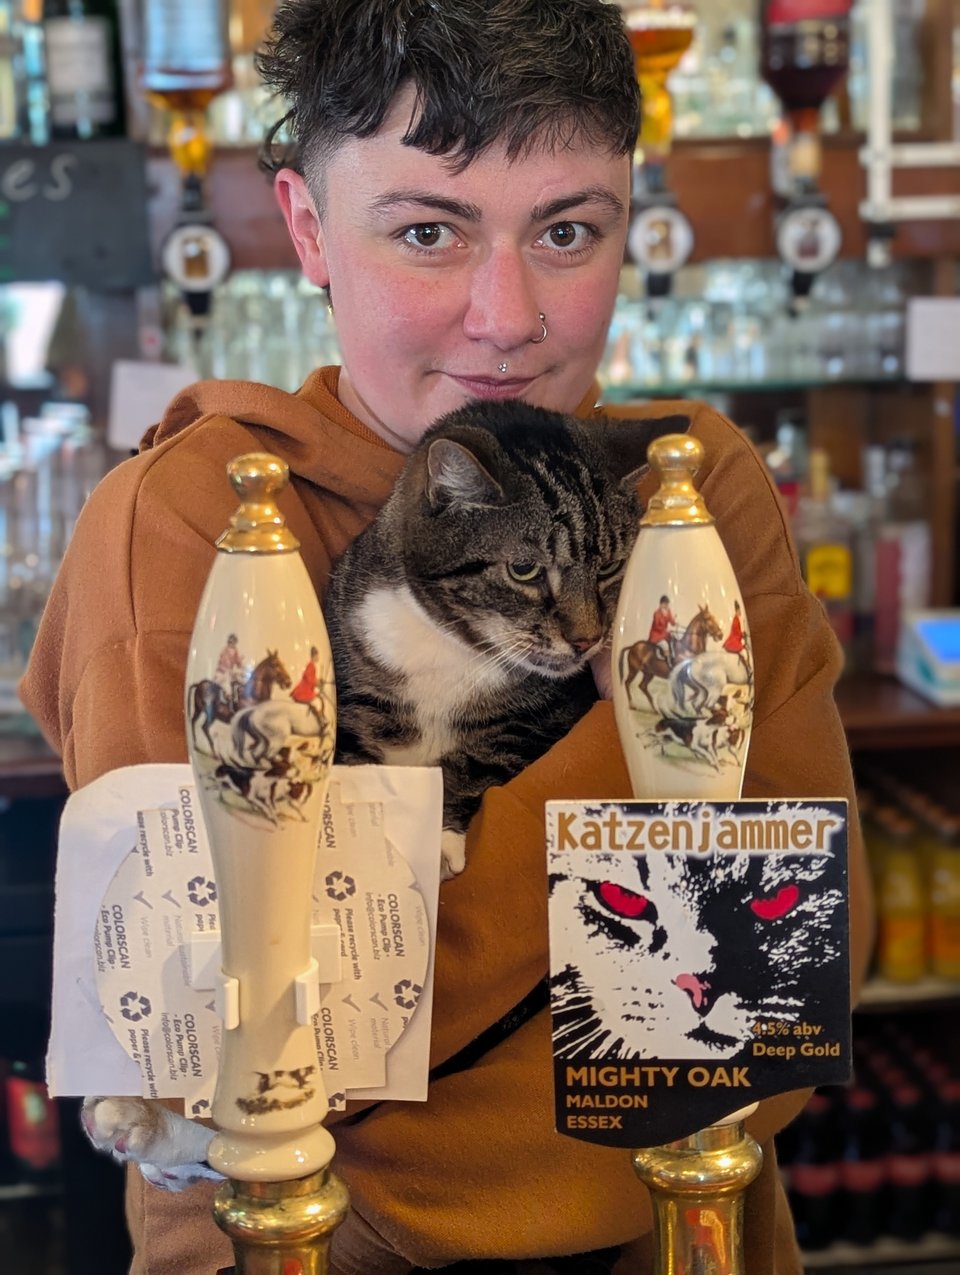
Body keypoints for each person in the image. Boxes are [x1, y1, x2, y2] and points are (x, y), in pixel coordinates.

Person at [20, 2, 871, 1273]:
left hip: (681, 1233)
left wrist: (395, 913)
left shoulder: (687, 484)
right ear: (307, 225)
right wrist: (637, 790)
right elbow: (218, 1052)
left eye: (568, 231)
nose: (506, 317)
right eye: (429, 230)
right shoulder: (198, 514)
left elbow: (788, 992)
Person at [648, 595, 678, 663]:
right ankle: (668, 662)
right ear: (661, 604)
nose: (666, 605)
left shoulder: (668, 611)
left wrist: (675, 622)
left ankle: (673, 655)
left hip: (664, 633)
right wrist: (664, 630)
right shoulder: (657, 613)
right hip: (656, 635)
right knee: (665, 645)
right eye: (665, 604)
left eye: (667, 604)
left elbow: (671, 621)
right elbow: (656, 626)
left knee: (673, 639)